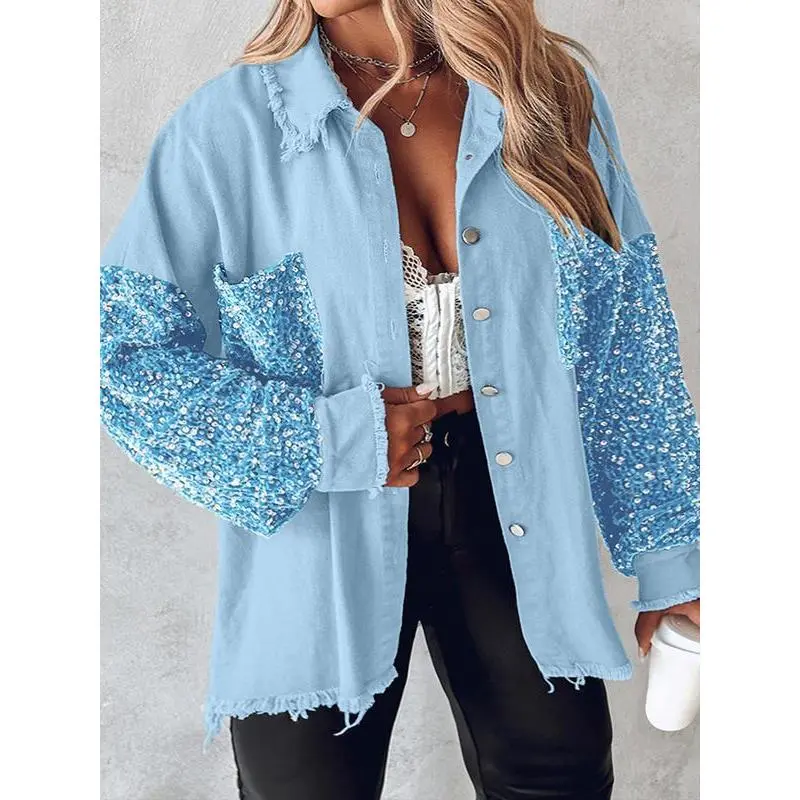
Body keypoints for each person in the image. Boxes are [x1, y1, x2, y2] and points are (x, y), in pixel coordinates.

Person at [99, 1, 700, 797]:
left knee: (561, 776)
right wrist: (323, 439)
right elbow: (121, 359)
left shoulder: (547, 96)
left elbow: (623, 346)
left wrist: (674, 561)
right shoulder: (229, 128)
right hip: (320, 526)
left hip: (515, 509)